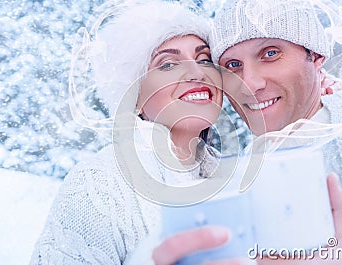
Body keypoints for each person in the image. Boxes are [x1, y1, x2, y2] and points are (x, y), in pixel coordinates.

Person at [151, 0, 342, 264]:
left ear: (317, 56)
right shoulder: (242, 178)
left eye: (270, 53)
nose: (250, 84)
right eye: (232, 66)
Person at [30, 0, 224, 264]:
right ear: (135, 97)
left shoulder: (227, 178)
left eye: (204, 59)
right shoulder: (98, 184)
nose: (197, 72)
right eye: (168, 64)